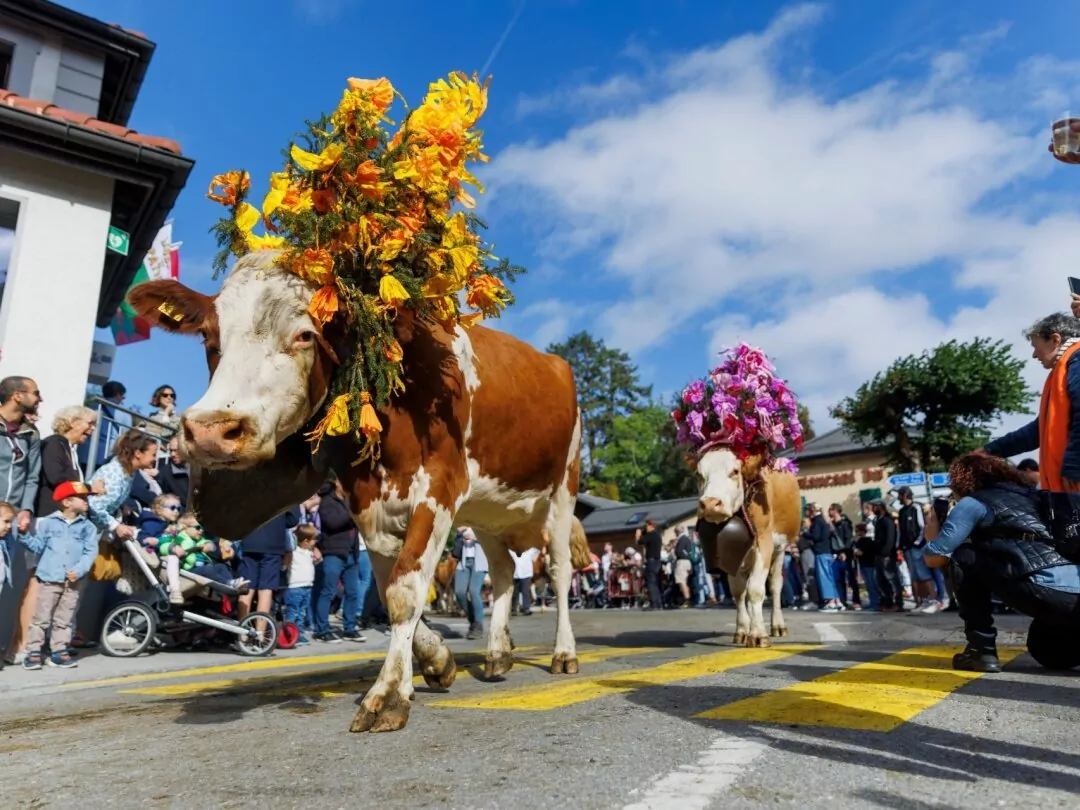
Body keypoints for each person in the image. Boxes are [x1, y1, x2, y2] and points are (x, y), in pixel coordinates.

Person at [924, 451, 1080, 672]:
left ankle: (981, 650)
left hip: (1040, 590)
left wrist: (931, 534)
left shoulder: (973, 502)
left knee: (964, 555)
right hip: (1075, 596)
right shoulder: (1036, 496)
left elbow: (935, 558)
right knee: (1047, 652)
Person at [982, 313, 1080, 491]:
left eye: (1036, 346)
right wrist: (990, 450)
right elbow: (1040, 430)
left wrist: (1074, 465)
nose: (1034, 355)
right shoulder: (1066, 368)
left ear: (1055, 339)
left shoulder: (1077, 361)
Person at [18, 481, 98, 670]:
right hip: (49, 579)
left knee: (65, 618)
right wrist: (23, 535)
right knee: (41, 618)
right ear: (67, 502)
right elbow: (38, 546)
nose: (87, 501)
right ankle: (34, 652)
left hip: (73, 582)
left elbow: (90, 553)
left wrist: (79, 570)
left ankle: (59, 651)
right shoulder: (48, 523)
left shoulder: (88, 527)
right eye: (83, 498)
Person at [312, 480, 364, 643]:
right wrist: (352, 512)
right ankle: (322, 630)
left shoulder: (348, 501)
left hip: (351, 554)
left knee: (352, 593)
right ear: (337, 483)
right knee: (328, 591)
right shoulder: (327, 501)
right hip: (333, 553)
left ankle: (349, 628)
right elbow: (333, 523)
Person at [284, 524, 319, 644]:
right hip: (295, 587)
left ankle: (298, 635)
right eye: (314, 539)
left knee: (302, 613)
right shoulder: (294, 552)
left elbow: (317, 560)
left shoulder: (310, 552)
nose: (316, 541)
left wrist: (318, 556)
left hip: (307, 586)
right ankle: (289, 634)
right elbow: (285, 565)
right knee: (293, 612)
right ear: (305, 541)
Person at [802, 503, 842, 612]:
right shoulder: (824, 520)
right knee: (830, 577)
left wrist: (804, 534)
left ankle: (830, 602)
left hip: (821, 552)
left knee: (824, 578)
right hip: (827, 551)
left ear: (812, 510)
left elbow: (816, 536)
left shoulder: (817, 521)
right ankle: (836, 600)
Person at [452, 527, 489, 639]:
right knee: (459, 592)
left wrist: (475, 537)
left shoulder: (481, 519)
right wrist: (459, 532)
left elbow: (491, 537)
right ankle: (473, 620)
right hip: (463, 562)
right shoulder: (463, 520)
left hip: (479, 561)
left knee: (473, 591)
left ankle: (478, 625)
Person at [872, 499, 905, 612]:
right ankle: (887, 602)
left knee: (892, 579)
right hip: (879, 555)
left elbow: (890, 539)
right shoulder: (878, 520)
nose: (873, 509)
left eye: (874, 506)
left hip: (886, 555)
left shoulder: (887, 520)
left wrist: (886, 553)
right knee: (881, 580)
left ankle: (898, 603)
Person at [636, 518, 664, 611]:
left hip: (652, 561)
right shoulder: (657, 535)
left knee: (651, 583)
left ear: (651, 526)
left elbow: (639, 541)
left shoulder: (651, 535)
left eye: (647, 525)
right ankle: (659, 603)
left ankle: (654, 604)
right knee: (655, 583)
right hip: (657, 561)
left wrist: (638, 534)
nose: (645, 527)